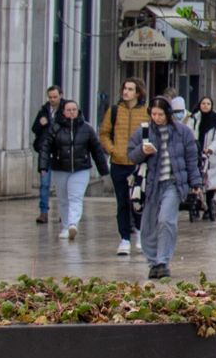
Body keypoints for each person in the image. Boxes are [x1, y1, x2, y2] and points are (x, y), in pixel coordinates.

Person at [132, 96, 200, 281]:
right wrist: (141, 151)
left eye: (160, 114)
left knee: (166, 220)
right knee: (148, 225)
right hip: (152, 185)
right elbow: (131, 155)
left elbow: (192, 159)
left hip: (173, 183)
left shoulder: (183, 132)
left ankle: (163, 261)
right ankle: (153, 262)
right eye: (153, 114)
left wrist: (196, 184)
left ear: (168, 114)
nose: (157, 117)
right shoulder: (144, 131)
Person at [39, 98, 108, 241]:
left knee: (75, 197)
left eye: (74, 110)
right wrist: (43, 166)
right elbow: (45, 147)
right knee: (63, 199)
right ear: (63, 112)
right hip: (60, 168)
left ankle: (72, 224)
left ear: (78, 111)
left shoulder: (87, 128)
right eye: (68, 110)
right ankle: (65, 226)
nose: (71, 113)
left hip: (80, 168)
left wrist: (103, 169)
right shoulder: (55, 128)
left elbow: (96, 149)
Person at [98, 79, 147, 258]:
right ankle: (124, 238)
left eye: (130, 89)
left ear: (138, 93)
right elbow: (103, 133)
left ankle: (141, 234)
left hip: (138, 163)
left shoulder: (146, 112)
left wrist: (144, 153)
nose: (126, 92)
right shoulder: (114, 111)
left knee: (139, 201)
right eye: (124, 88)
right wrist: (112, 150)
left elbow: (150, 135)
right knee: (122, 203)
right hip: (118, 163)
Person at [30, 85, 63, 226]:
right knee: (44, 184)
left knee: (62, 185)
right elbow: (34, 129)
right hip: (45, 152)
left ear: (60, 95)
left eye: (55, 97)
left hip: (61, 153)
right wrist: (41, 123)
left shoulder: (66, 110)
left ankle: (63, 213)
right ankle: (43, 212)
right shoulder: (43, 110)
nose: (52, 100)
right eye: (50, 97)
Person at [194, 97, 216, 220]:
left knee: (209, 181)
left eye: (208, 104)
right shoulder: (194, 118)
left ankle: (208, 204)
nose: (205, 106)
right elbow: (190, 133)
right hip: (196, 152)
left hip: (210, 155)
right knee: (196, 178)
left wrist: (210, 149)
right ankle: (196, 204)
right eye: (203, 103)